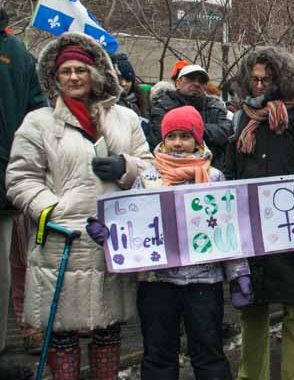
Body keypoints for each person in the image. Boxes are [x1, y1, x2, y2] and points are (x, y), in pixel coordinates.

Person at [5, 31, 153, 379]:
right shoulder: (38, 123)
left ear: (96, 72)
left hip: (111, 242)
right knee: (62, 333)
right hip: (62, 243)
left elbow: (149, 167)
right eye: (65, 71)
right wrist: (51, 211)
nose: (73, 77)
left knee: (108, 328)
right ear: (54, 77)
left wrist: (126, 167)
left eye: (80, 70)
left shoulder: (125, 119)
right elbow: (20, 178)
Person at [85, 105, 251, 378]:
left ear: (197, 139)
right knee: (158, 354)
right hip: (157, 282)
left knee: (209, 351)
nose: (177, 143)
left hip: (203, 282)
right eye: (171, 136)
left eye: (185, 136)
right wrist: (109, 237)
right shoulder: (147, 179)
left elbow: (228, 232)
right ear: (162, 139)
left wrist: (238, 273)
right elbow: (132, 223)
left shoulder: (214, 178)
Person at [224, 48, 294, 380]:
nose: (259, 86)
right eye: (253, 79)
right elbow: (230, 170)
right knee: (252, 314)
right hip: (251, 234)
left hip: (293, 232)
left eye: (266, 79)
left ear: (283, 79)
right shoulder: (240, 119)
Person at [0, 6, 47, 362]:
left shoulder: (16, 53)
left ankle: (24, 334)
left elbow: (35, 114)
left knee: (15, 267)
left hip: (6, 186)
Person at [149, 64, 232, 171]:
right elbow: (162, 138)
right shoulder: (162, 106)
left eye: (201, 81)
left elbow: (226, 133)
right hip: (171, 171)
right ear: (178, 83)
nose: (196, 84)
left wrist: (191, 129)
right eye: (190, 79)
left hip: (211, 171)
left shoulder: (215, 106)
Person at [110, 53, 148, 118]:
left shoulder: (141, 101)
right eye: (120, 79)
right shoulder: (109, 104)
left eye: (128, 80)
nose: (124, 84)